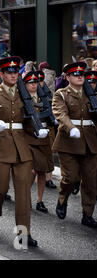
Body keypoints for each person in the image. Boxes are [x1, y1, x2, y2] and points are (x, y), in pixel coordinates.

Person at [0, 56, 41, 247]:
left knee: (23, 193)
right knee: (0, 188)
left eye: (15, 72)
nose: (13, 75)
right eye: (9, 72)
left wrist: (39, 129)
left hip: (21, 147)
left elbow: (29, 119)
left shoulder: (24, 94)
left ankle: (24, 233)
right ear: (1, 74)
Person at [53, 62, 97, 228]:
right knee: (71, 177)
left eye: (81, 74)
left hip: (90, 142)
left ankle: (87, 214)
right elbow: (60, 113)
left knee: (91, 181)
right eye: (75, 74)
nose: (80, 76)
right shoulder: (61, 94)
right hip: (69, 142)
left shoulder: (91, 94)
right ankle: (62, 199)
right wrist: (71, 128)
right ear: (68, 77)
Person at [22, 71, 54, 213]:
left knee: (42, 171)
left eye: (36, 82)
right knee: (32, 171)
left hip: (44, 138)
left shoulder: (44, 98)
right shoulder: (22, 99)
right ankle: (25, 196)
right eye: (31, 82)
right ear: (25, 85)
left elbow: (50, 116)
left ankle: (39, 200)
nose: (34, 85)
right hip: (29, 138)